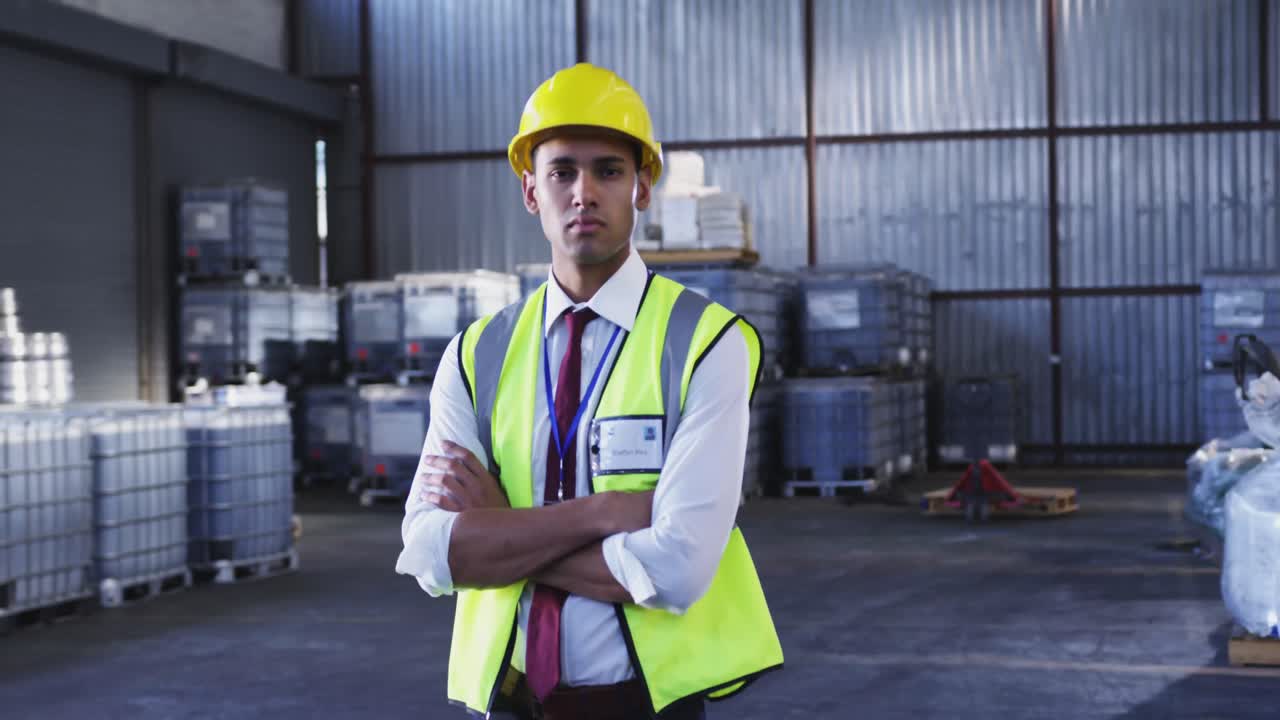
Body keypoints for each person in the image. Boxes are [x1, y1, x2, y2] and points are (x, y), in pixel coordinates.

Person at [396, 62, 783, 720]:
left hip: (645, 705)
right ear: (530, 190)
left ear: (642, 188)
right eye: (561, 172)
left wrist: (500, 531)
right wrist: (602, 514)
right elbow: (430, 553)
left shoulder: (707, 344)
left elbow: (678, 569)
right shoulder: (475, 355)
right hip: (511, 703)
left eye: (608, 171)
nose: (584, 193)